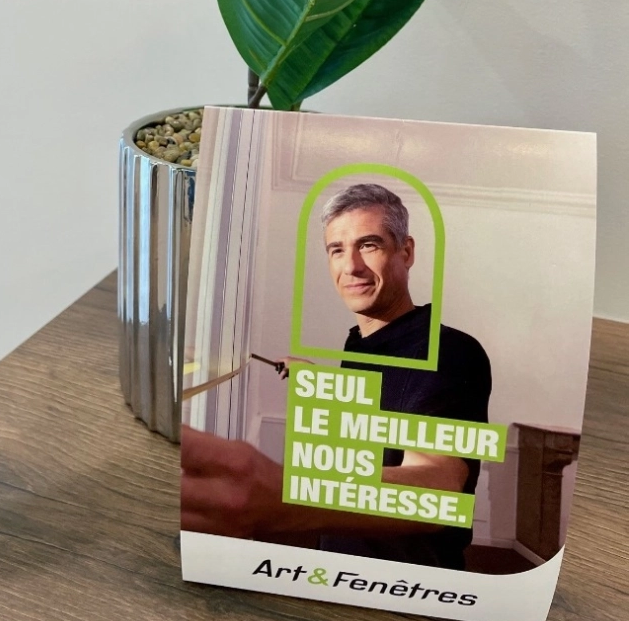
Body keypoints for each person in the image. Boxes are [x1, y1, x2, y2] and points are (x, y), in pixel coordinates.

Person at [181, 183, 492, 569]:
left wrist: (282, 493)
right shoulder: (360, 345)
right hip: (340, 566)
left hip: (402, 585)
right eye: (337, 250)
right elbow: (379, 439)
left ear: (406, 251)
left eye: (369, 245)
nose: (351, 267)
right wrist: (322, 385)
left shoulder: (450, 351)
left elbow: (438, 488)